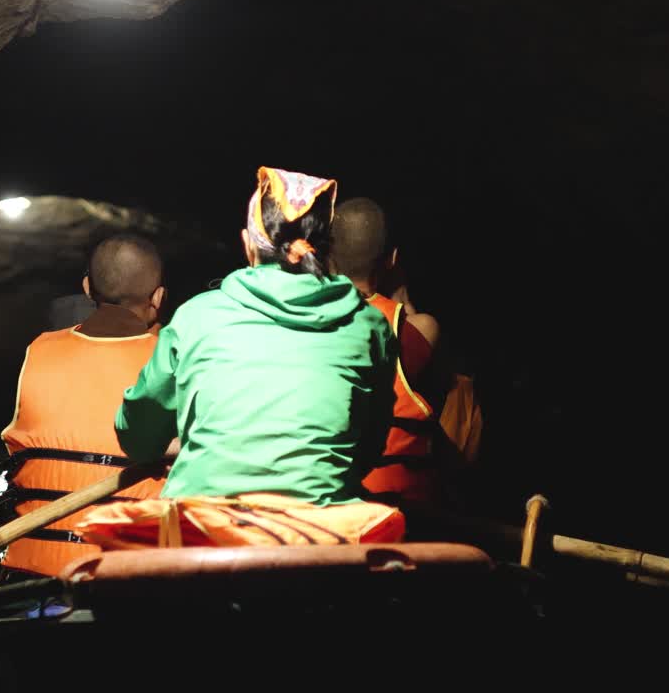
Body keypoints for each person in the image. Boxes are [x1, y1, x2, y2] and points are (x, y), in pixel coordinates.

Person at [77, 167, 404, 548]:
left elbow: (136, 437)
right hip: (322, 534)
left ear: (249, 245)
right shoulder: (370, 326)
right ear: (327, 249)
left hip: (206, 532)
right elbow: (368, 448)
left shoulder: (196, 317)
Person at [0, 233, 170, 578]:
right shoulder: (173, 357)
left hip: (33, 574)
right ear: (158, 298)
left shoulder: (38, 350)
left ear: (87, 288)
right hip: (132, 575)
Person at [332, 197, 481, 507]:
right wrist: (404, 302)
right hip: (398, 512)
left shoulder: (302, 315)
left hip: (326, 501)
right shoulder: (415, 328)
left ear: (328, 257)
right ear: (392, 259)